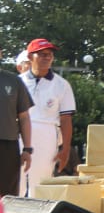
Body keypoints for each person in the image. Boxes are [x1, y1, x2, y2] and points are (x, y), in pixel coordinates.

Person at [18, 38, 75, 195]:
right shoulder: (18, 82)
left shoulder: (61, 84)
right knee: (16, 180)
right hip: (19, 133)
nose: (47, 57)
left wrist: (65, 148)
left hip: (47, 133)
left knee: (40, 182)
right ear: (30, 57)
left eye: (49, 54)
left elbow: (66, 119)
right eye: (42, 54)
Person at [1, 59, 34, 197]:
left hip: (7, 145)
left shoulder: (14, 81)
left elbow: (24, 117)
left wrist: (27, 149)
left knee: (7, 195)